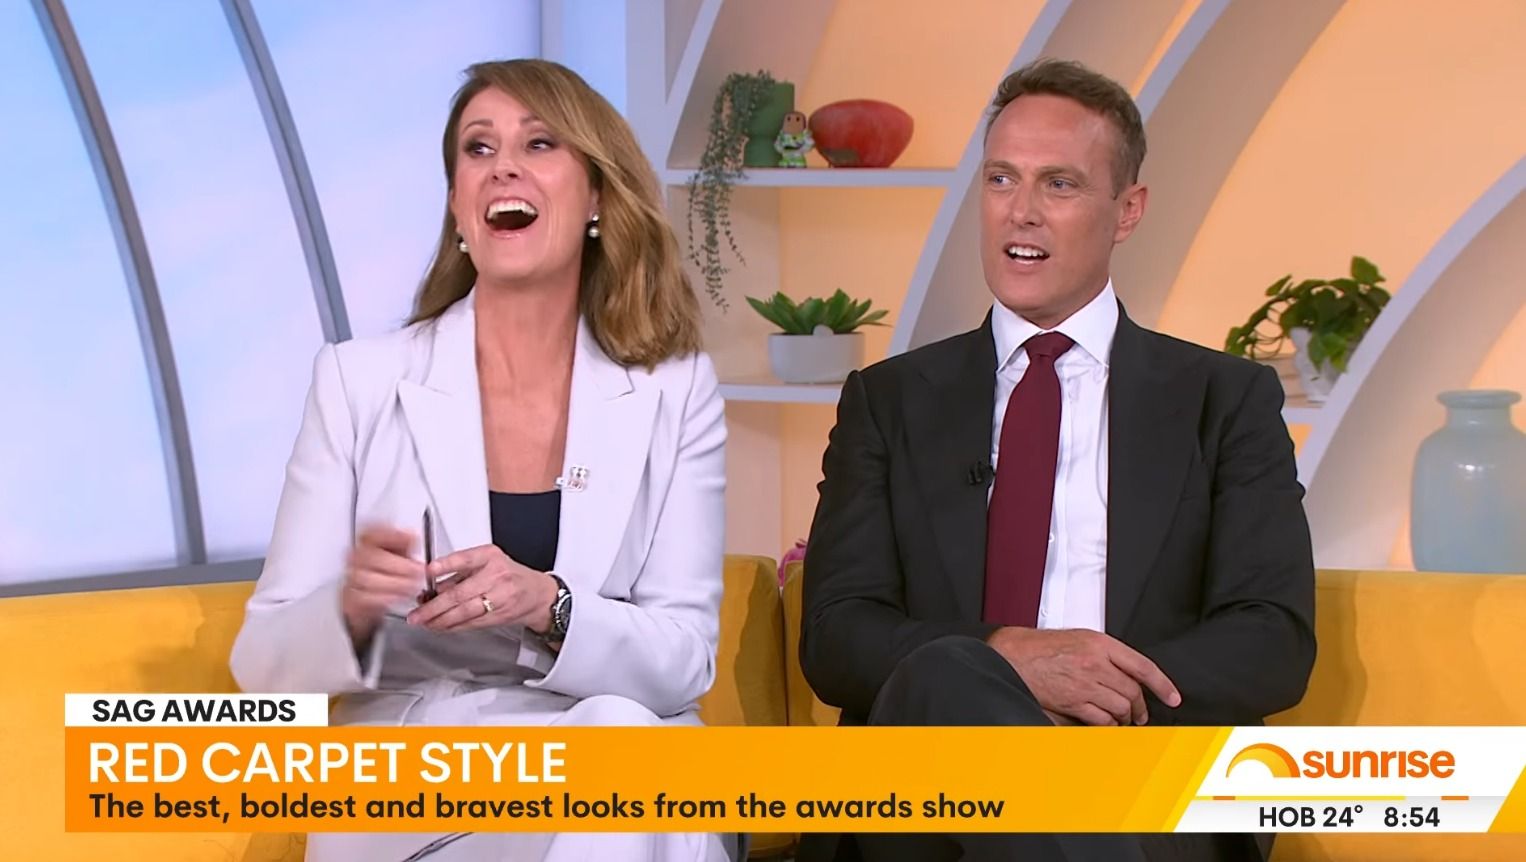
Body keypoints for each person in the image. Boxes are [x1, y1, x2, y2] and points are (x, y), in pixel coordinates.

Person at [797, 58, 1316, 862]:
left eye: (1060, 185)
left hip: (1138, 773)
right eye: (1001, 179)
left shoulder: (1222, 399)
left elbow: (1272, 639)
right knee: (948, 674)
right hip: (930, 791)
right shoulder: (889, 400)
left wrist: (1093, 694)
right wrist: (1008, 664)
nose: (1021, 212)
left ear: (1127, 210)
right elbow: (838, 636)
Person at [230, 59, 729, 862]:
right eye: (478, 148)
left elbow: (684, 659)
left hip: (600, 749)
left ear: (598, 198)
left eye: (540, 143)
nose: (503, 167)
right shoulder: (358, 381)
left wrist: (548, 604)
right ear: (459, 206)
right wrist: (350, 608)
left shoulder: (675, 389)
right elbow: (260, 667)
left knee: (624, 738)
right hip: (417, 772)